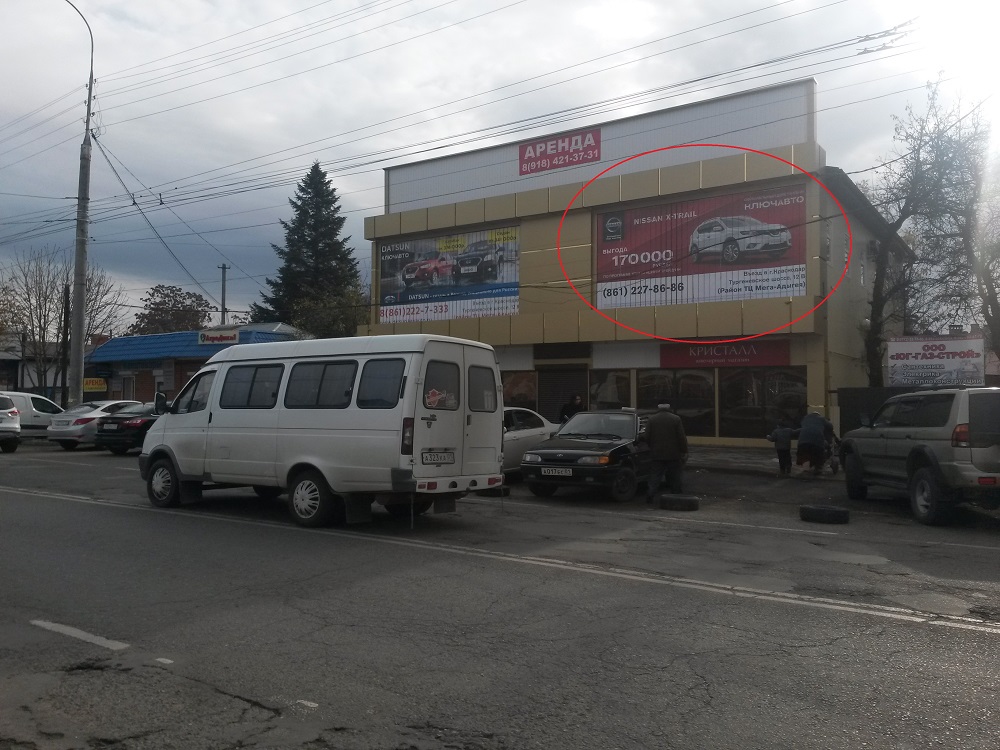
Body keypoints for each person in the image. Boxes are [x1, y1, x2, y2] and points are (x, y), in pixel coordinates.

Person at [645, 403, 689, 500]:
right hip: (673, 453)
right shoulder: (676, 419)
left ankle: (650, 493)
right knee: (675, 475)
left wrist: (651, 446)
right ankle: (676, 495)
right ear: (669, 408)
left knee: (655, 475)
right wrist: (684, 451)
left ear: (658, 408)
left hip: (656, 453)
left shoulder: (652, 419)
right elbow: (681, 437)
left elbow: (646, 436)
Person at [796, 410, 834, 476]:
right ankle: (818, 468)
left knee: (805, 455)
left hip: (803, 440)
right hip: (817, 439)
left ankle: (806, 470)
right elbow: (830, 426)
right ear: (818, 415)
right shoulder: (821, 419)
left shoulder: (805, 419)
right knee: (819, 453)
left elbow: (802, 426)